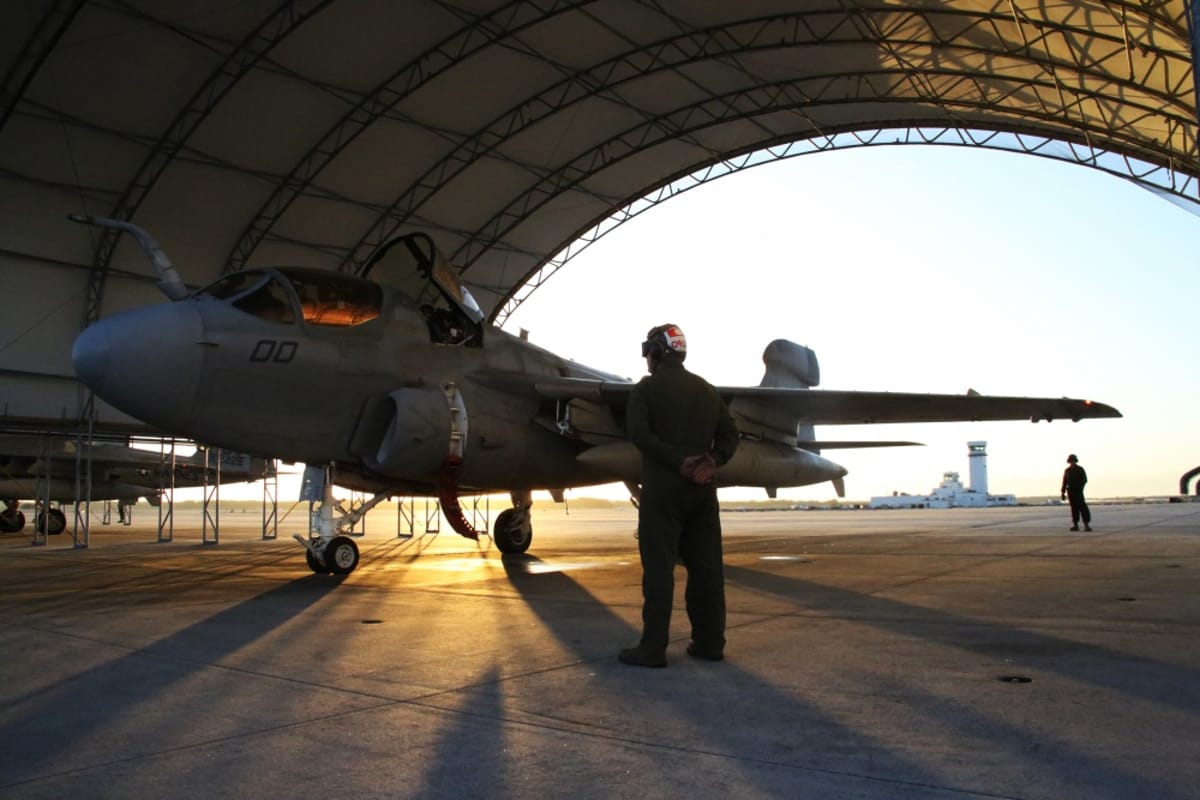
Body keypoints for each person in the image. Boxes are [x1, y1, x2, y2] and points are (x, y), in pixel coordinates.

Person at [619, 323, 740, 668]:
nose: (646, 359)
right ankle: (709, 643)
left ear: (657, 351)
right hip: (702, 492)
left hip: (662, 492)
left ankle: (653, 649)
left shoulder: (646, 389)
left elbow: (639, 434)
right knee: (706, 571)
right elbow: (731, 436)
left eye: (648, 351)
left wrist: (678, 462)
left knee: (659, 571)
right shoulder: (707, 390)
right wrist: (712, 460)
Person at [1061, 453, 1092, 531]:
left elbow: (1084, 480)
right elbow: (1064, 482)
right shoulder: (1067, 470)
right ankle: (1075, 525)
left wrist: (1080, 488)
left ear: (1075, 461)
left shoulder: (1080, 469)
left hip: (1078, 491)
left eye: (1073, 461)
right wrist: (1063, 492)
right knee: (1074, 509)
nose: (1072, 462)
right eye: (1071, 461)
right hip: (1071, 492)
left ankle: (1086, 525)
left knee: (1083, 508)